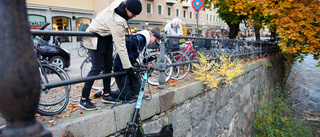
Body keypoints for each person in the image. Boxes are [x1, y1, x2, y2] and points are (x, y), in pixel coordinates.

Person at [79, 0, 142, 110]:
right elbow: (121, 47)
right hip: (95, 34)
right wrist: (128, 67)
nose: (134, 16)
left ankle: (107, 95)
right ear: (126, 9)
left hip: (106, 34)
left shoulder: (122, 6)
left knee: (108, 66)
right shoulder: (117, 20)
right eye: (133, 14)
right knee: (97, 68)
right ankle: (84, 99)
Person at [111, 29, 160, 101]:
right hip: (121, 68)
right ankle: (107, 93)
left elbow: (138, 57)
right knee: (127, 96)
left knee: (137, 93)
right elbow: (125, 48)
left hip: (130, 69)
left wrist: (149, 58)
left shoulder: (143, 41)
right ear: (152, 35)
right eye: (155, 40)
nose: (154, 43)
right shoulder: (139, 39)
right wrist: (129, 65)